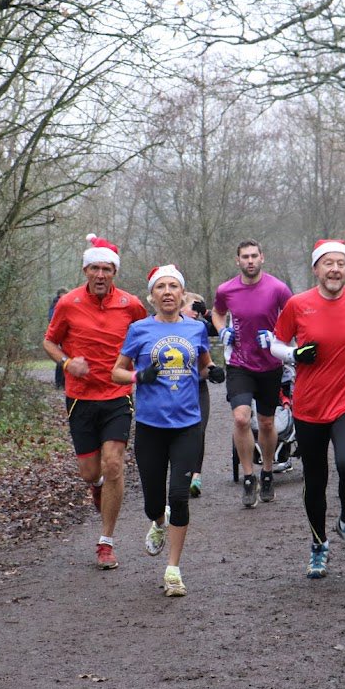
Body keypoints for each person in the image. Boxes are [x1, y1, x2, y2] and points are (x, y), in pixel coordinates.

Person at [270, 239, 345, 579]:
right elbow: (276, 344)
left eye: (341, 264)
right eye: (328, 263)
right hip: (309, 405)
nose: (335, 269)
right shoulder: (297, 304)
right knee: (315, 479)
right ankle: (319, 544)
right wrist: (294, 355)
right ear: (316, 268)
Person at [112, 266, 226, 596]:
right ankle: (158, 521)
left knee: (179, 495)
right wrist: (138, 377)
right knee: (153, 502)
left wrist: (212, 371)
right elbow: (116, 372)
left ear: (182, 294)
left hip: (187, 425)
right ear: (152, 296)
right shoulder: (139, 330)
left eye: (173, 286)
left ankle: (173, 569)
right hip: (151, 427)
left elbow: (203, 364)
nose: (167, 291)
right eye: (160, 287)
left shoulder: (196, 329)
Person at [43, 233, 147, 570]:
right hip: (80, 398)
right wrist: (66, 363)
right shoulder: (68, 303)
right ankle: (98, 485)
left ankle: (106, 542)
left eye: (107, 269)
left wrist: (144, 372)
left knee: (114, 464)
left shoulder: (131, 304)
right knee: (90, 472)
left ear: (114, 272)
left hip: (117, 395)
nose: (100, 275)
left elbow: (147, 335)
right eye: (95, 269)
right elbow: (49, 342)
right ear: (85, 270)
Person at [210, 240, 293, 507]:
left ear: (262, 258)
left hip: (271, 364)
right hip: (239, 363)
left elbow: (294, 317)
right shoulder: (226, 289)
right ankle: (249, 477)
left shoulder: (278, 288)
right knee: (241, 418)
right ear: (238, 260)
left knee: (267, 423)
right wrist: (222, 330)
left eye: (254, 256)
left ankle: (267, 472)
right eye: (245, 256)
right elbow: (217, 314)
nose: (250, 261)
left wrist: (276, 336)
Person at [181, 292, 218, 498]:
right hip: (177, 391)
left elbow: (218, 328)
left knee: (199, 431)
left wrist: (213, 371)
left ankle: (196, 476)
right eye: (192, 308)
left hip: (199, 388)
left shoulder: (200, 328)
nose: (196, 313)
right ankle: (181, 473)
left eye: (198, 309)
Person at [49, 288, 66, 389]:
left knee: (65, 357)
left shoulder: (65, 302)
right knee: (62, 357)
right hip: (59, 334)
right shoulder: (56, 304)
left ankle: (62, 382)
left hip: (64, 334)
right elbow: (52, 318)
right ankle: (59, 382)